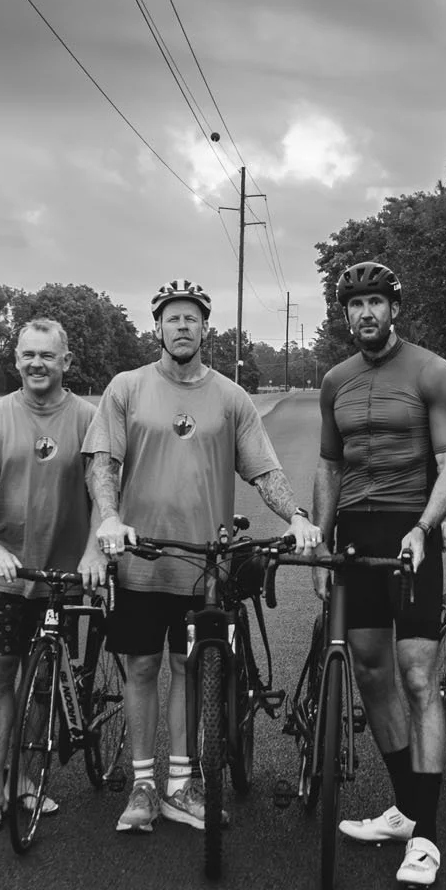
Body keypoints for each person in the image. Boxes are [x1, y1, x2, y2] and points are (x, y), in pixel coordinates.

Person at [87, 280, 322, 835]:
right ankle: (143, 785)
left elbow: (263, 470)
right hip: (140, 558)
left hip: (205, 565)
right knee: (142, 669)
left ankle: (179, 784)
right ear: (158, 328)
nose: (183, 326)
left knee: (190, 671)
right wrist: (108, 517)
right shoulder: (126, 388)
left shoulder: (231, 397)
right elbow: (103, 462)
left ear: (205, 328)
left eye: (192, 318)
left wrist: (296, 516)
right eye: (173, 318)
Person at [314, 262, 446, 889]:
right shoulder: (334, 381)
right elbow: (328, 468)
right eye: (355, 305)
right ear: (344, 314)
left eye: (375, 302)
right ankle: (408, 807)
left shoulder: (432, 371)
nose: (366, 313)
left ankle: (427, 837)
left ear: (393, 309)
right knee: (372, 671)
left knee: (417, 675)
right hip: (355, 532)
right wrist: (323, 540)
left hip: (412, 531)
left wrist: (425, 529)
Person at [0, 318, 99, 833]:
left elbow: (103, 492)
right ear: (15, 359)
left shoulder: (89, 418)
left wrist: (92, 553)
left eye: (47, 355)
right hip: (3, 575)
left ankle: (28, 779)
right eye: (27, 354)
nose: (36, 363)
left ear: (66, 362)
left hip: (61, 576)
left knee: (44, 681)